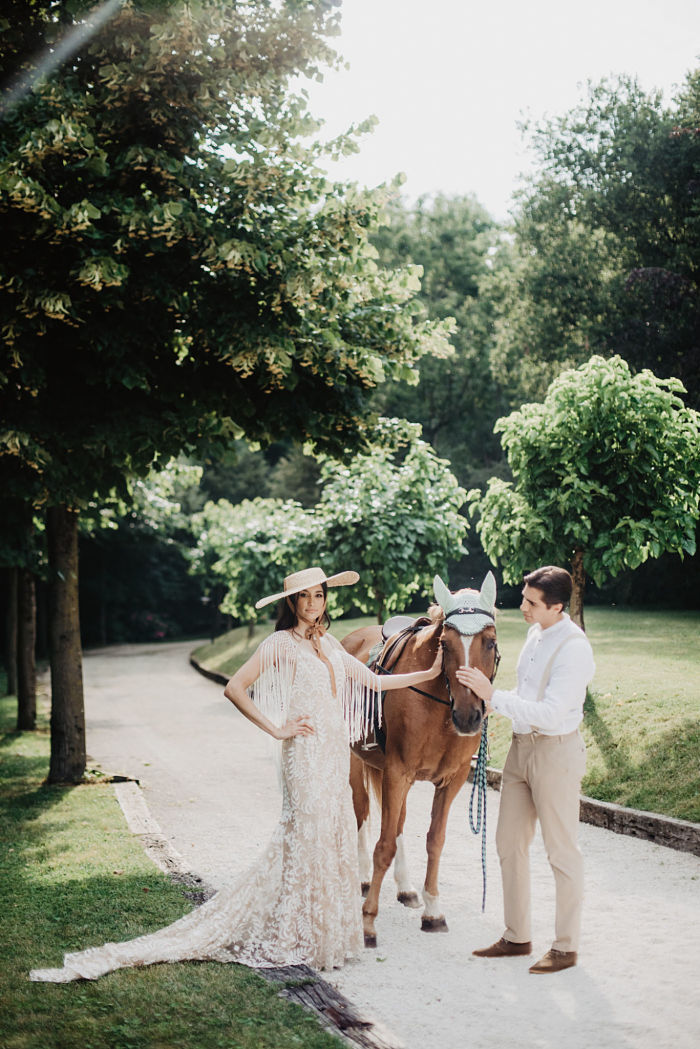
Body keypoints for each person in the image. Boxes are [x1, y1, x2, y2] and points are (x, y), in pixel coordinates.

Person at [30, 566, 441, 982]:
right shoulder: (281, 643)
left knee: (330, 834)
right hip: (304, 755)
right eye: (305, 598)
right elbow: (235, 687)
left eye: (319, 595)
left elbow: (373, 679)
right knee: (306, 836)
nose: (313, 604)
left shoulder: (330, 642)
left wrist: (428, 673)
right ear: (292, 604)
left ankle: (322, 935)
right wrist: (278, 728)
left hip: (333, 755)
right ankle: (293, 934)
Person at [457, 565, 595, 975]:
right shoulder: (536, 634)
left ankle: (566, 947)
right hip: (520, 751)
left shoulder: (574, 647)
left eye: (531, 603)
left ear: (556, 607)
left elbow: (552, 714)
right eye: (524, 599)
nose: (523, 607)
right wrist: (489, 701)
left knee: (561, 850)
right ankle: (517, 936)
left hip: (555, 752)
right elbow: (528, 694)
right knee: (508, 842)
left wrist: (493, 696)